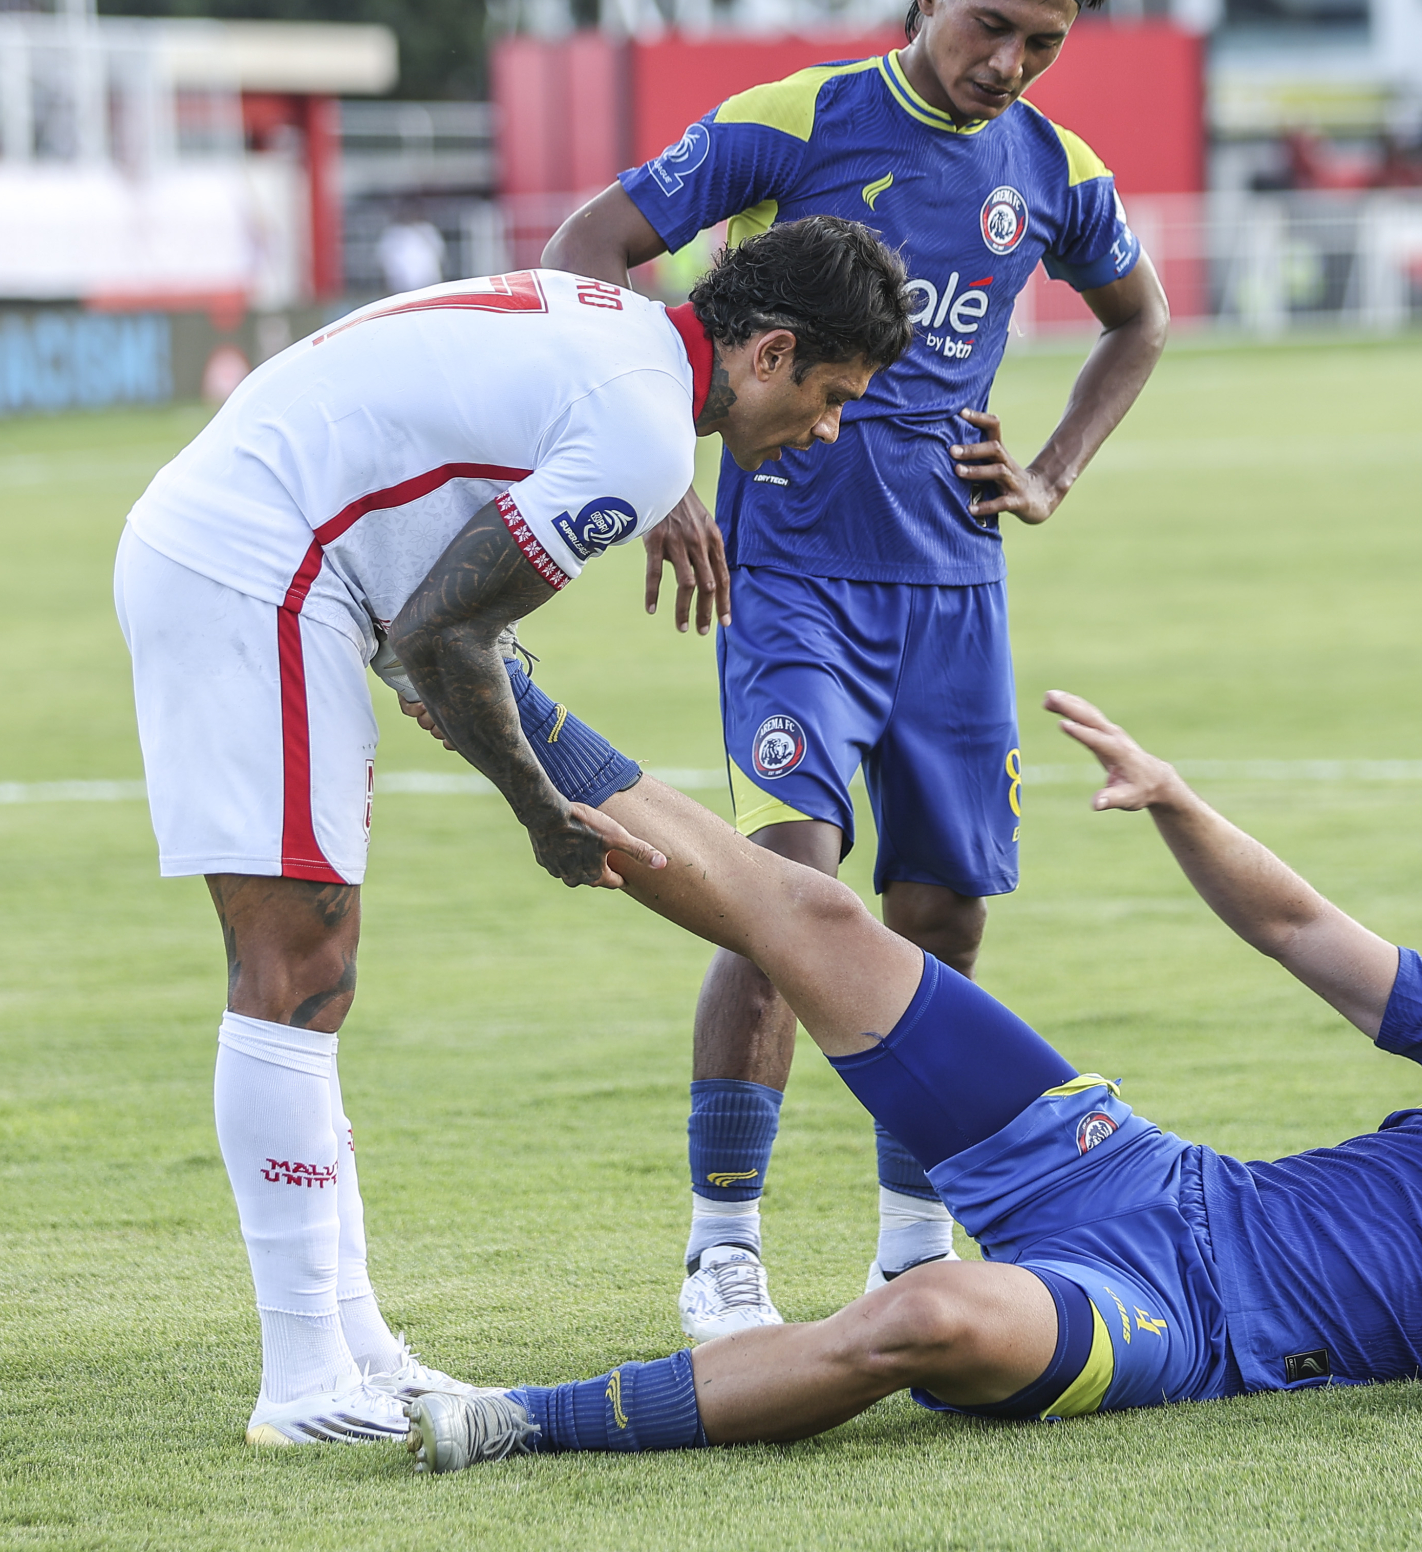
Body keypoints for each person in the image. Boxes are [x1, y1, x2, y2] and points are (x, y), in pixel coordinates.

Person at [399, 689, 1422, 1468]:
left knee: (927, 1317)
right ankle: (495, 697)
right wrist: (1183, 801)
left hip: (1181, 1327)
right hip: (1134, 1173)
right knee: (813, 916)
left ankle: (517, 1421)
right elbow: (1300, 929)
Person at [111, 217, 911, 1446]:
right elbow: (443, 634)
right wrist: (544, 813)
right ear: (770, 352)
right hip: (256, 571)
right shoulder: (647, 433)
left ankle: (356, 1347)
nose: (826, 427)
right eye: (830, 395)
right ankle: (303, 1382)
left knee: (319, 981)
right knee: (294, 971)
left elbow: (429, 590)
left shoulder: (616, 338)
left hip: (278, 563)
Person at [541, 0, 1171, 1341]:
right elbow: (588, 251)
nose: (1008, 63)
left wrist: (1058, 467)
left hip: (956, 594)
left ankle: (908, 1241)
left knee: (938, 916)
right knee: (787, 892)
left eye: (1043, 43)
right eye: (993, 24)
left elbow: (1137, 322)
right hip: (798, 583)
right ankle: (722, 1246)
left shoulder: (1055, 170)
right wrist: (657, 457)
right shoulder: (802, 118)